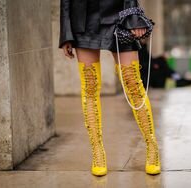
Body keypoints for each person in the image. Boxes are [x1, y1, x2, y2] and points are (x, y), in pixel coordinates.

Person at [59, 0, 161, 176]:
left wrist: (133, 18)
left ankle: (152, 148)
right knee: (89, 87)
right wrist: (66, 33)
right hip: (83, 20)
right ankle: (97, 153)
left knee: (133, 85)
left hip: (119, 15)